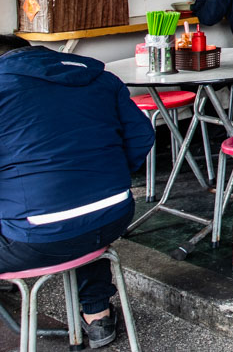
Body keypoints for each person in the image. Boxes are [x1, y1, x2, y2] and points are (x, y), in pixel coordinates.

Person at [0, 35, 154, 349]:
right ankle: (97, 315)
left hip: (35, 241)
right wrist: (104, 177)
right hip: (114, 216)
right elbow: (141, 138)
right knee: (77, 207)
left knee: (52, 217)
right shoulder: (101, 79)